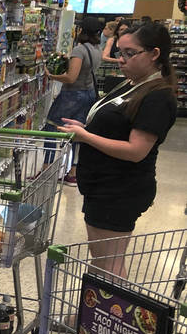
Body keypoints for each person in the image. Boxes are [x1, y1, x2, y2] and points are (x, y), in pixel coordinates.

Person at [57, 22, 179, 277]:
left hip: (119, 189)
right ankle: (98, 315)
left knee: (108, 264)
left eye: (129, 53)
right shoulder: (134, 83)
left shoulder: (157, 96)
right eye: (119, 52)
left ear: (154, 54)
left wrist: (86, 136)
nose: (120, 60)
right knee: (105, 259)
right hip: (105, 186)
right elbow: (117, 124)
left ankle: (105, 315)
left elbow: (136, 150)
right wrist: (86, 127)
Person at [45, 16, 102, 184]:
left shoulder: (79, 50)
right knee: (77, 131)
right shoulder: (97, 48)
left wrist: (51, 75)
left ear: (81, 30)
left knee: (50, 127)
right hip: (89, 94)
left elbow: (71, 78)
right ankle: (73, 172)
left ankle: (46, 169)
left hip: (72, 95)